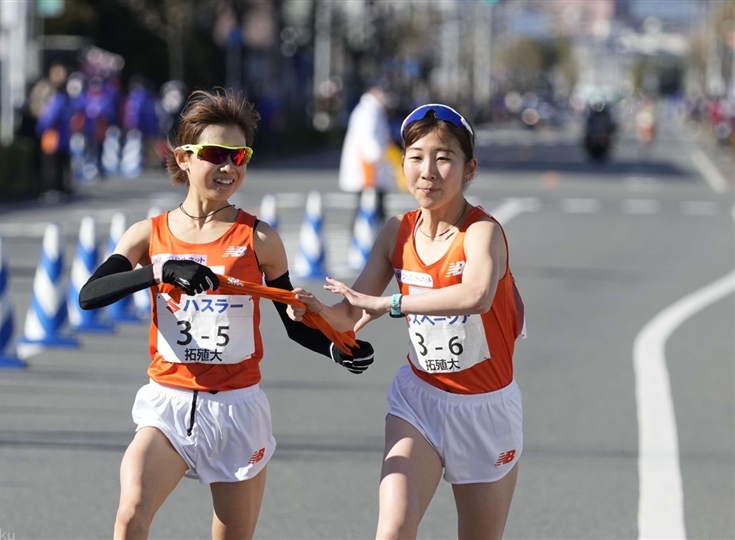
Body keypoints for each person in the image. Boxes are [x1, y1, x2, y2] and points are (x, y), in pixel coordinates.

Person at [78, 88, 374, 540]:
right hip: (168, 405)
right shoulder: (148, 234)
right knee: (131, 513)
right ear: (183, 159)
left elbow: (292, 324)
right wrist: (161, 271)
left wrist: (337, 349)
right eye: (215, 155)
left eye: (240, 156)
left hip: (236, 411)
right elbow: (91, 295)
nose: (229, 168)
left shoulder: (259, 238)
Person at [290, 104, 526, 539]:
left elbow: (477, 295)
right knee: (393, 528)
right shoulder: (396, 231)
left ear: (469, 168)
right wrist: (314, 313)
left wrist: (396, 304)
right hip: (419, 401)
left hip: (485, 409)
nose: (428, 171)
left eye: (444, 157)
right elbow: (351, 315)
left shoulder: (482, 232)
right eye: (415, 156)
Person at [338, 85, 396, 225]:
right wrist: (384, 156)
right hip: (368, 171)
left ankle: (372, 241)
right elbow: (368, 143)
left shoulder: (372, 110)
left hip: (371, 170)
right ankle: (369, 242)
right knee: (368, 209)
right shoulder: (368, 112)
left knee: (369, 208)